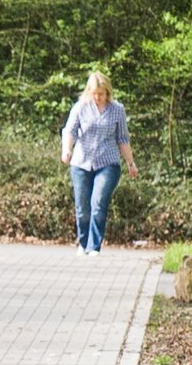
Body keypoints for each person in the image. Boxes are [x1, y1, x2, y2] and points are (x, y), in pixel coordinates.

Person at [59, 71, 139, 258]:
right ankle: (83, 241)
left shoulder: (117, 110)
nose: (98, 97)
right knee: (82, 207)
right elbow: (69, 130)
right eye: (94, 93)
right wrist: (67, 150)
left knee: (98, 203)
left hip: (108, 162)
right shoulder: (80, 107)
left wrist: (130, 163)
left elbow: (122, 139)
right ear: (89, 91)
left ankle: (94, 246)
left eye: (101, 94)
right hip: (81, 162)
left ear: (107, 92)